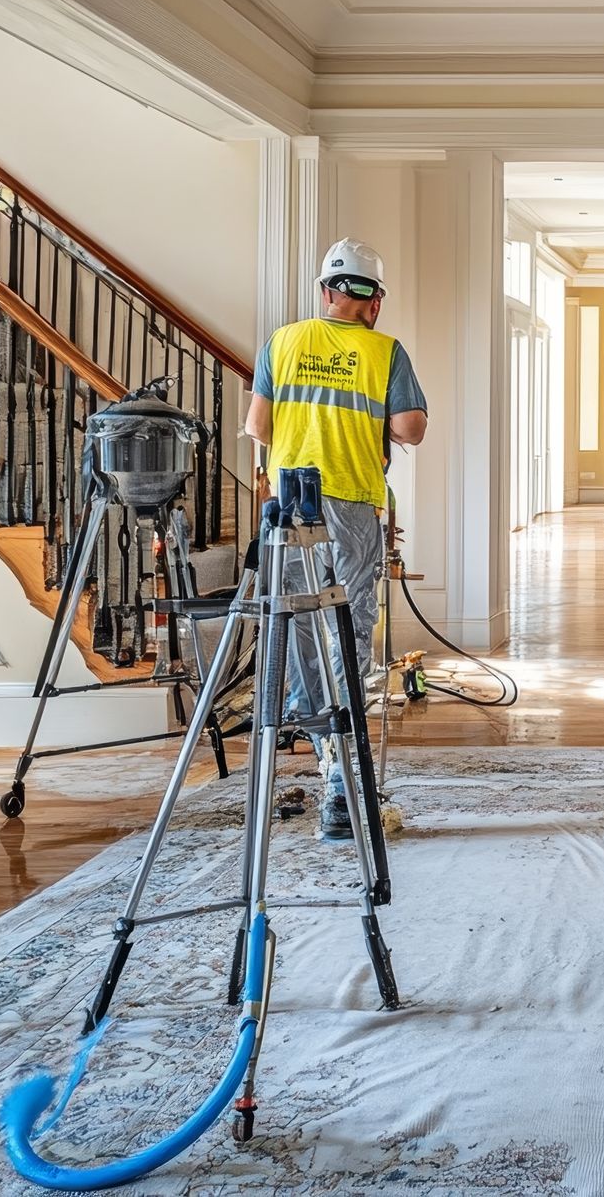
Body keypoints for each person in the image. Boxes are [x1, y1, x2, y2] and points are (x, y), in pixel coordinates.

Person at [245, 238, 427, 840]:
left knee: (297, 620)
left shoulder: (282, 341)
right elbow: (411, 430)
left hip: (290, 502)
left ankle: (321, 744)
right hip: (350, 500)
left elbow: (257, 426)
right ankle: (345, 783)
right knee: (347, 626)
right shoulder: (384, 351)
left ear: (326, 291)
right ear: (375, 301)